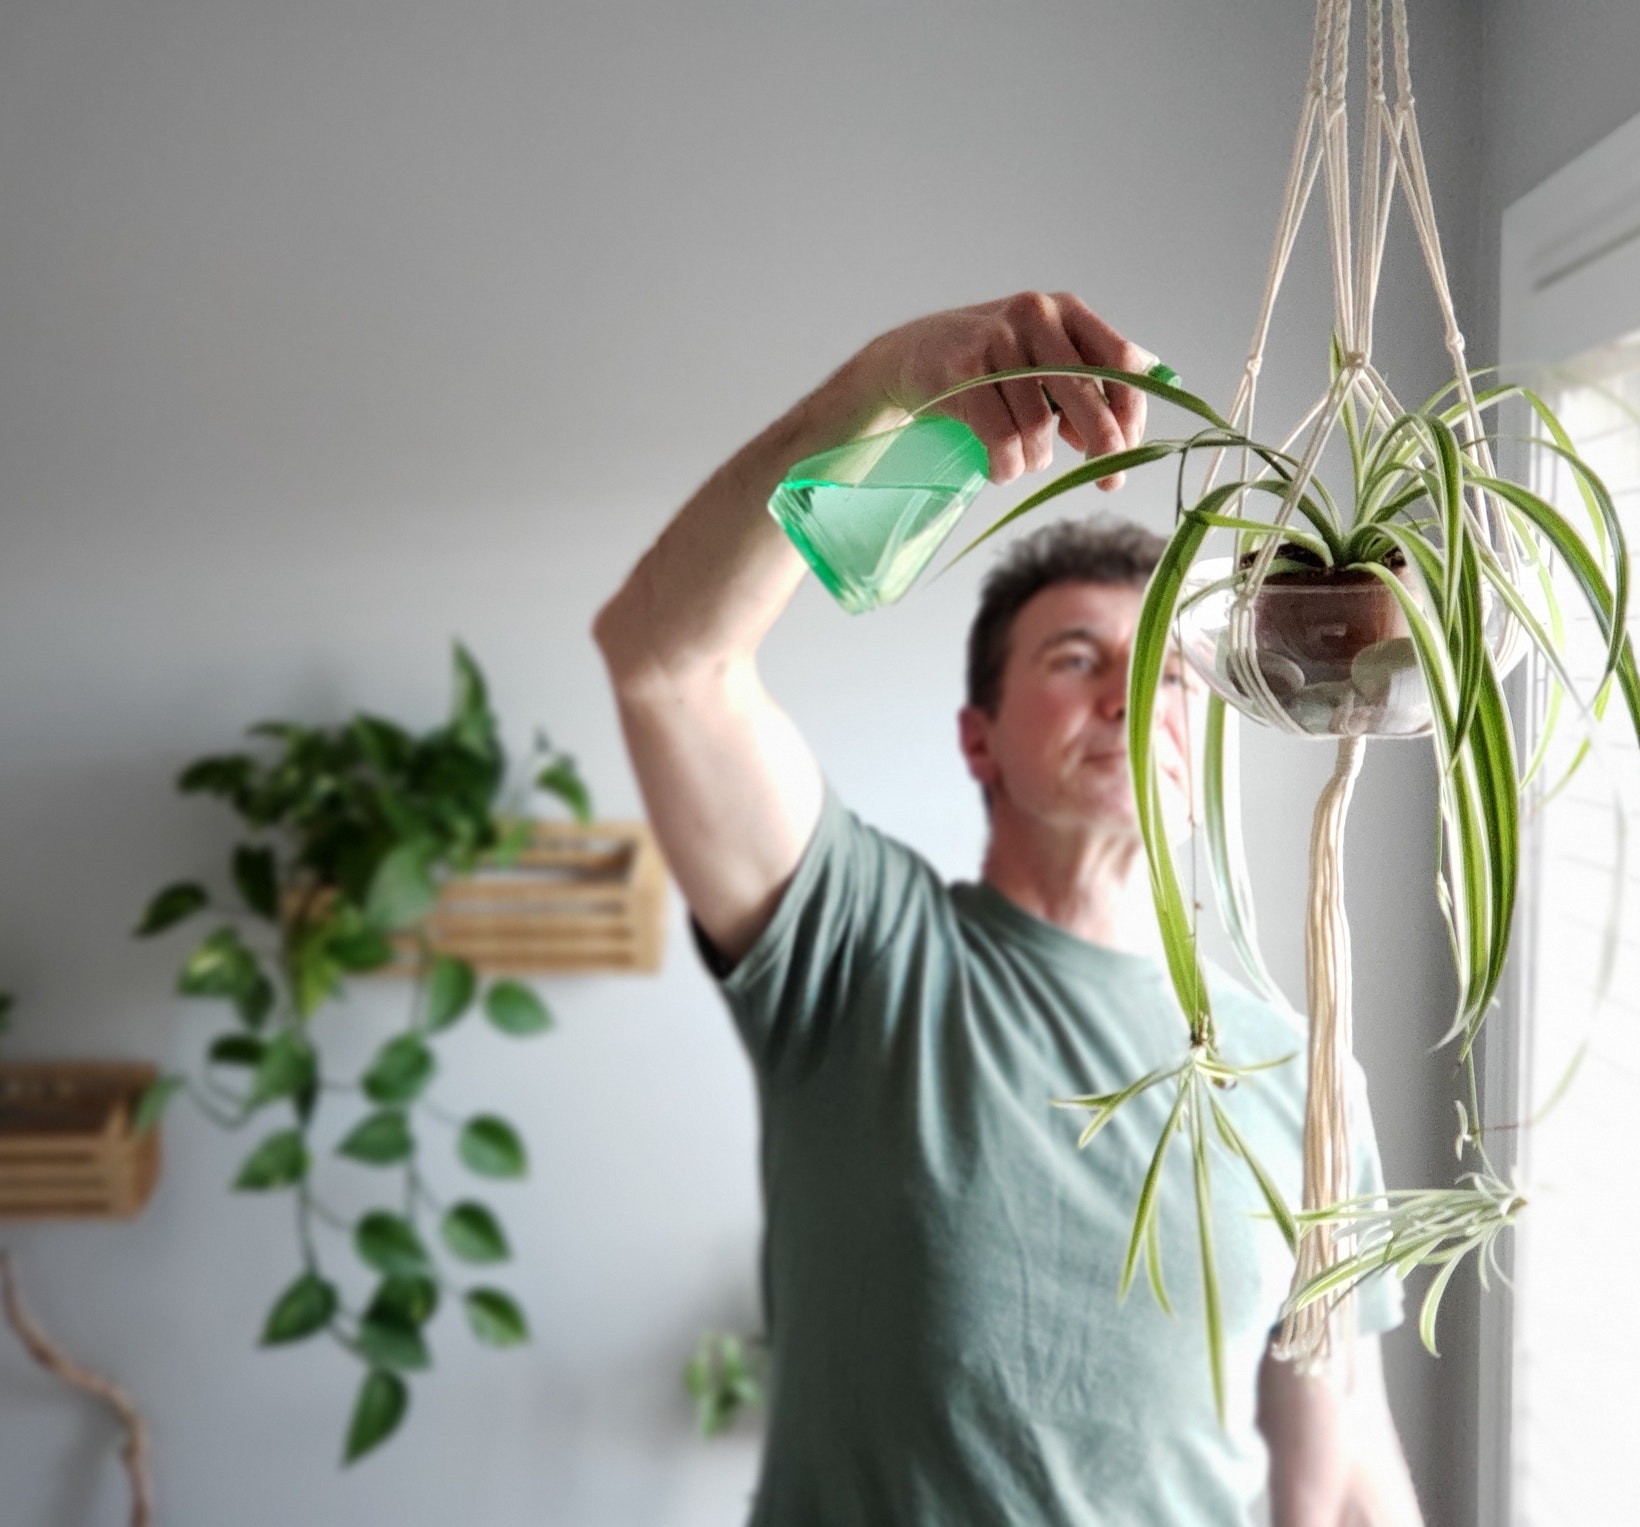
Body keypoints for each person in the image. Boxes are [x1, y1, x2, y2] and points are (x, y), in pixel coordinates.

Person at [593, 292, 1425, 1526]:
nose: (1127, 698)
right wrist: (879, 392)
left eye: (1161, 668)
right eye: (1077, 659)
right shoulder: (863, 952)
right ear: (977, 742)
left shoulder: (1296, 1079)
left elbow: (1341, 1458)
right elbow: (667, 663)